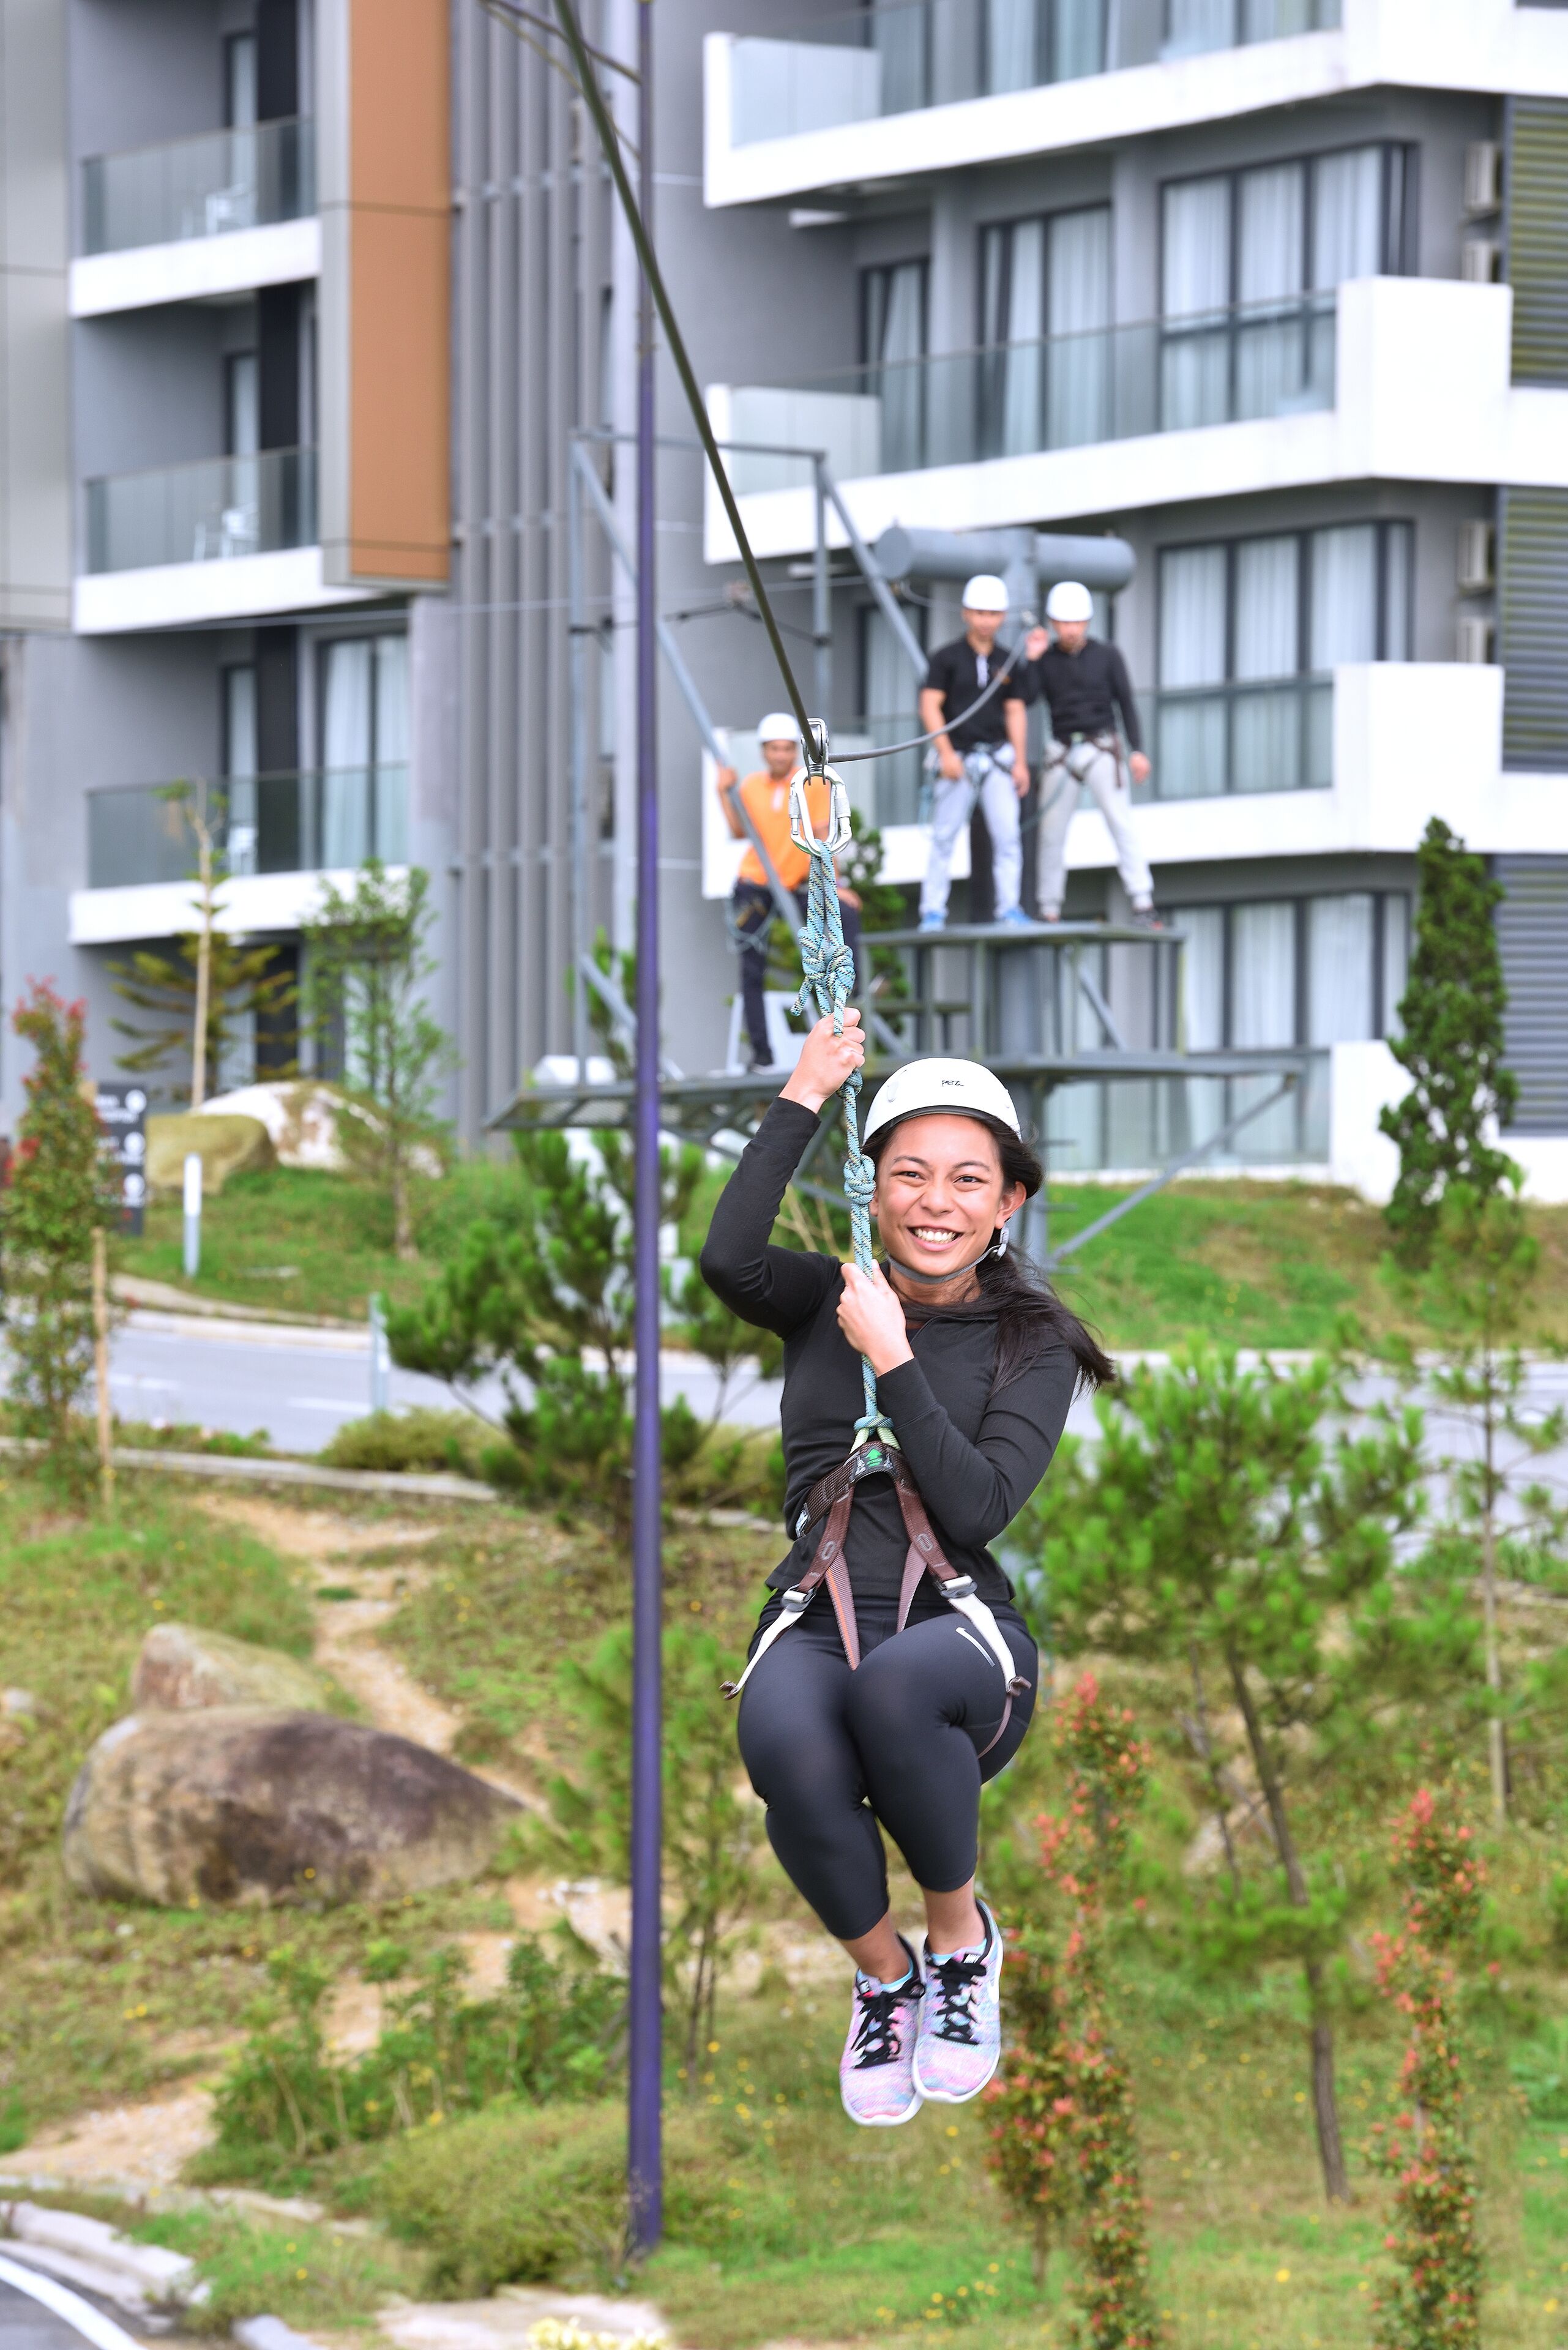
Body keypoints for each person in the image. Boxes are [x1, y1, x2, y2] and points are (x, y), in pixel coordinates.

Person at [700, 1029, 1113, 2126]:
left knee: (890, 1690)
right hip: (823, 1603)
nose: (936, 1202)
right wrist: (802, 1093)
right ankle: (885, 1977)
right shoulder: (825, 1295)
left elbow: (977, 1506)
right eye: (909, 1175)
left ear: (1008, 1202)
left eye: (968, 1180)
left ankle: (957, 1941)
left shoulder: (1033, 1344)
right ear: (872, 1191)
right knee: (783, 1741)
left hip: (957, 1632)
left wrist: (892, 1355)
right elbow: (727, 1258)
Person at [717, 714, 864, 1072]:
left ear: (793, 752)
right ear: (764, 752)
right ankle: (762, 1054)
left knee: (843, 916)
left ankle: (848, 990)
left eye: (786, 749)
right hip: (757, 882)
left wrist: (836, 887)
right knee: (752, 967)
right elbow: (739, 831)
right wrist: (722, 791)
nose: (780, 756)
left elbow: (824, 839)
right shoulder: (751, 786)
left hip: (797, 881)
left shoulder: (813, 784)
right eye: (773, 749)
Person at [1022, 580, 1160, 928]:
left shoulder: (1107, 655)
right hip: (1062, 750)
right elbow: (1024, 698)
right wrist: (1032, 660)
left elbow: (1126, 702)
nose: (1070, 629)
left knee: (1121, 822)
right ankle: (1049, 906)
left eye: (1077, 622)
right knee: (1052, 833)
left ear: (1087, 621)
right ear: (1053, 623)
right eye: (1064, 623)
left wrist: (1137, 750)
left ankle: (1142, 901)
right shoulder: (1046, 659)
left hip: (1102, 746)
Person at [916, 575, 1031, 933]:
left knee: (1008, 836)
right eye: (980, 613)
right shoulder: (946, 659)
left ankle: (1009, 907)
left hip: (998, 757)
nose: (986, 620)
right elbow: (930, 706)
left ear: (1003, 617)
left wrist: (1022, 762)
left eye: (993, 614)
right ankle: (932, 911)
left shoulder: (1008, 660)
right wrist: (946, 753)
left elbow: (1015, 712)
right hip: (958, 759)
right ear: (966, 613)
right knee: (944, 836)